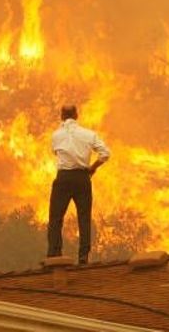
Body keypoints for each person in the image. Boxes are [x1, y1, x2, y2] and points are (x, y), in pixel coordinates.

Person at [47, 104, 110, 265]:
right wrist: (93, 168)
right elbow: (105, 153)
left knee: (56, 218)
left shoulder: (56, 136)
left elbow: (56, 152)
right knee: (84, 218)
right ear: (76, 115)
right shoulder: (89, 134)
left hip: (64, 178)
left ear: (62, 116)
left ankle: (54, 254)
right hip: (82, 178)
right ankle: (83, 256)